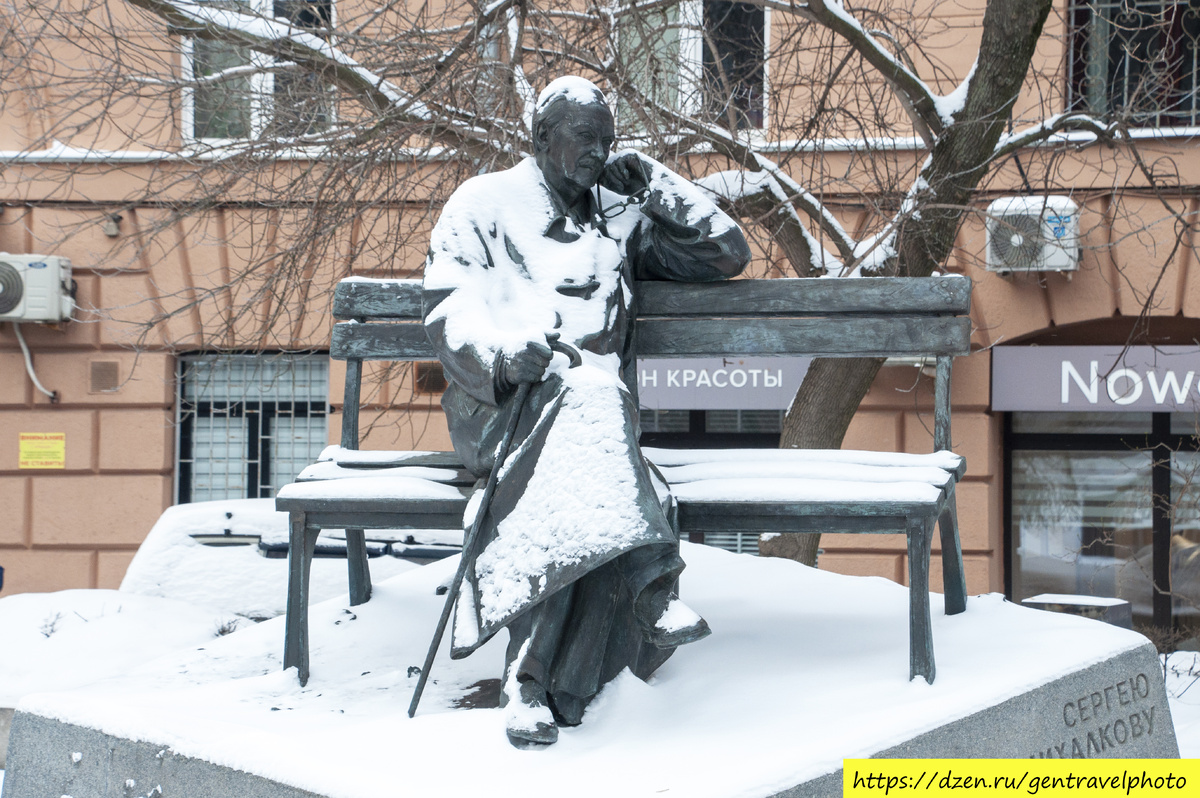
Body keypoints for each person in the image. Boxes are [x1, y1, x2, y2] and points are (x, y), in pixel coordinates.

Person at [422, 76, 750, 747]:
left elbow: (725, 253)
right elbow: (448, 305)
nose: (598, 151)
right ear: (541, 137)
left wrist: (654, 181)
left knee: (590, 419)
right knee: (591, 402)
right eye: (583, 137)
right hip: (504, 409)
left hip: (599, 432)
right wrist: (502, 356)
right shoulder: (482, 205)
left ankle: (533, 684)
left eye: (607, 140)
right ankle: (651, 583)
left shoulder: (620, 216)